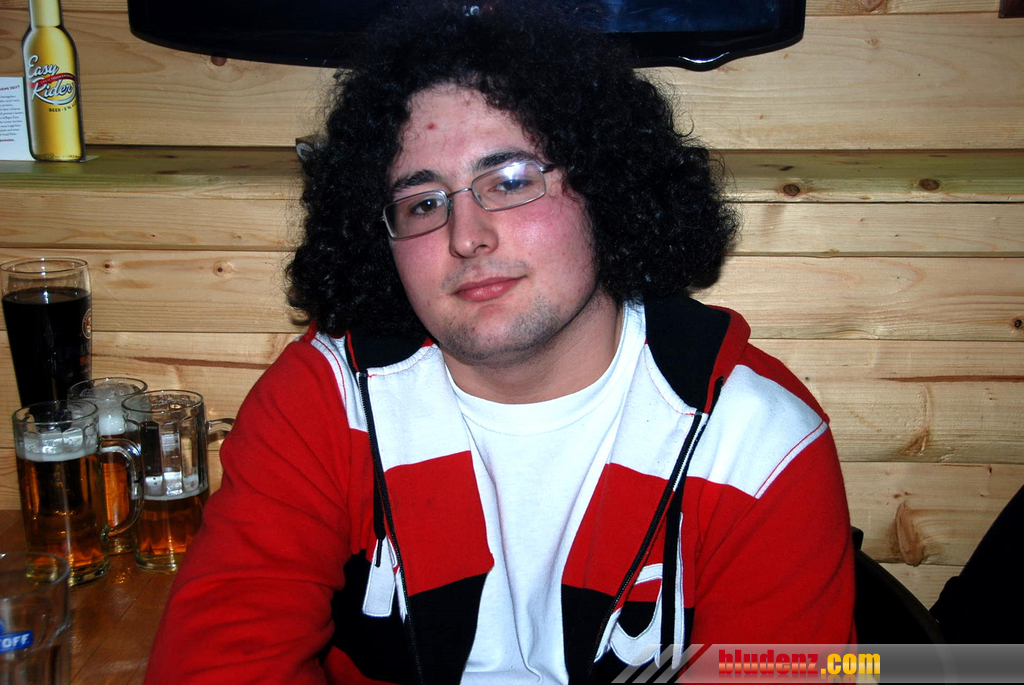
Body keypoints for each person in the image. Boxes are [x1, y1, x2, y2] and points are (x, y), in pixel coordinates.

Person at [146, 3, 856, 683]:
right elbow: (217, 662)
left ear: (604, 185)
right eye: (424, 202)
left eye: (511, 180)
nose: (466, 236)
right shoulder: (325, 402)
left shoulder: (755, 441)